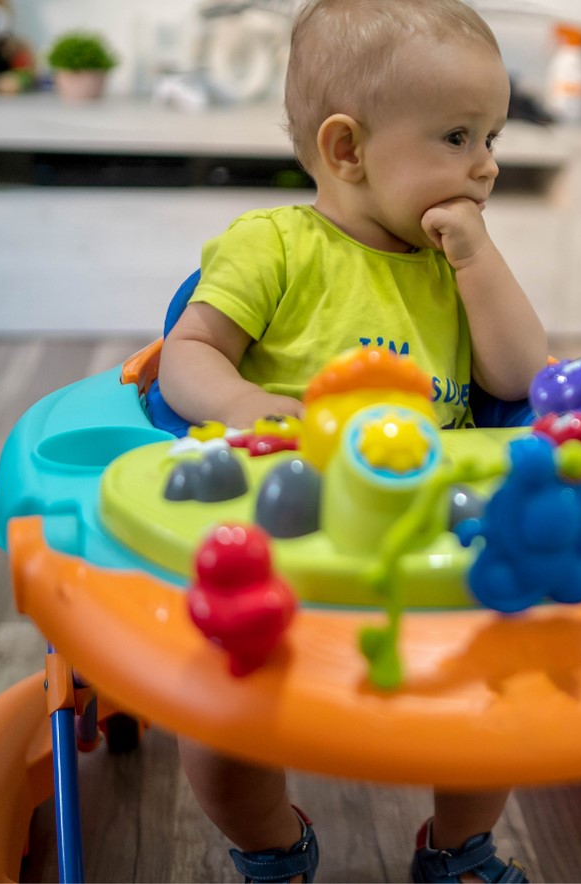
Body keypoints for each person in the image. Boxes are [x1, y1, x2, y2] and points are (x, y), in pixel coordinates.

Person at [156, 1, 546, 880]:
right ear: (346, 149)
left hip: (430, 539)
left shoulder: (453, 261)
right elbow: (184, 354)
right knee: (219, 724)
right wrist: (246, 404)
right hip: (279, 538)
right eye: (457, 137)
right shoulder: (274, 247)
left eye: (493, 137)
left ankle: (458, 847)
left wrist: (478, 264)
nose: (484, 167)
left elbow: (520, 379)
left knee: (495, 695)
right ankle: (272, 848)